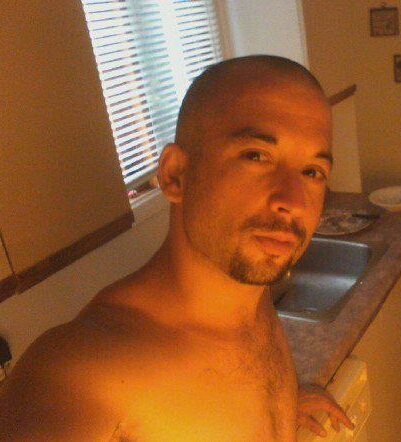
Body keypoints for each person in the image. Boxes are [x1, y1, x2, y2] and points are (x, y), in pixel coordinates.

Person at [0, 55, 353, 441]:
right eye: (256, 156)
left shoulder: (251, 297)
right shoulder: (76, 376)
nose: (293, 201)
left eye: (312, 171)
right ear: (175, 175)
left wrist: (280, 405)